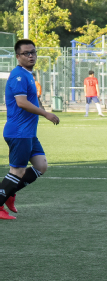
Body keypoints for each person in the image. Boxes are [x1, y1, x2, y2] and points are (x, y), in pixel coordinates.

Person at [1, 39, 60, 221]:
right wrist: (45, 113)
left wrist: (42, 108)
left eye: (33, 52)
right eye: (26, 53)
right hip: (19, 132)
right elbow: (21, 102)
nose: (31, 56)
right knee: (17, 171)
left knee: (41, 166)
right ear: (18, 56)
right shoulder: (18, 76)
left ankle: (9, 193)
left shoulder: (28, 75)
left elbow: (32, 99)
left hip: (28, 133)